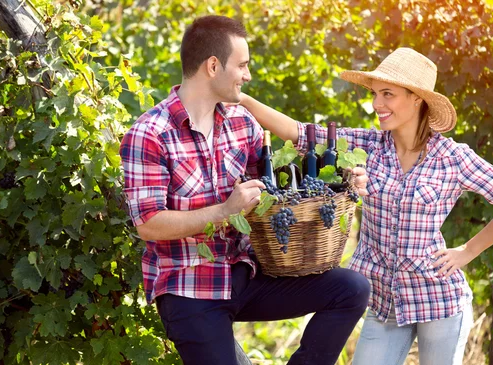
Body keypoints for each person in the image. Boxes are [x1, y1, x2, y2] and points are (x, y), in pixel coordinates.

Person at [238, 47, 493, 365]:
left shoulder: (453, 158)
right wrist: (242, 100)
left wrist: (468, 251)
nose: (377, 104)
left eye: (388, 94)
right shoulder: (369, 145)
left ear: (417, 98)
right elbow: (301, 134)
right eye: (375, 94)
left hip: (438, 301)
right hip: (384, 304)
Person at [119, 15, 370, 365]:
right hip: (190, 289)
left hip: (247, 274)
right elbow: (148, 224)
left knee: (351, 289)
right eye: (242, 65)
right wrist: (225, 210)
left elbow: (281, 187)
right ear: (212, 66)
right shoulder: (149, 134)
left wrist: (341, 179)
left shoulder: (242, 124)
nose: (248, 75)